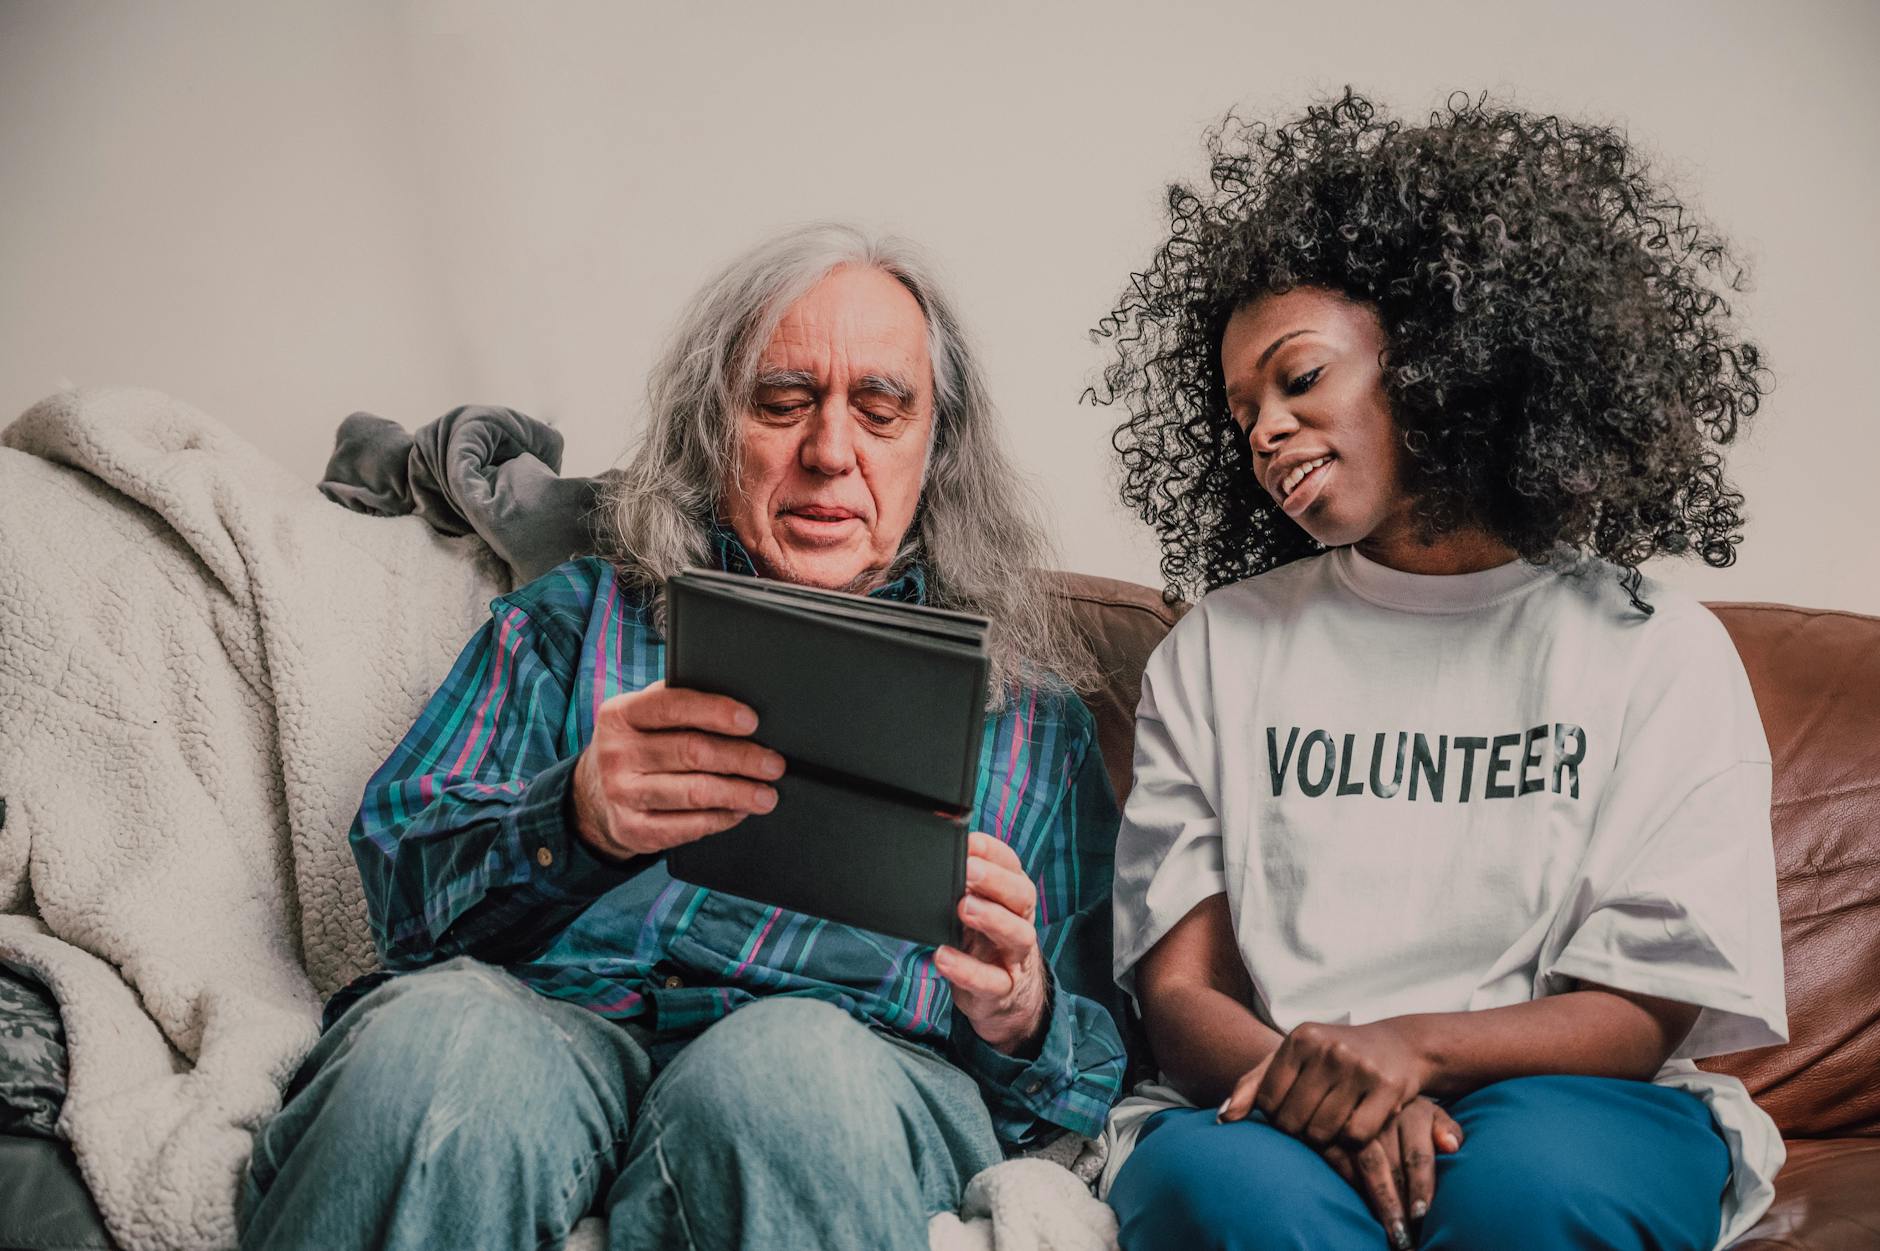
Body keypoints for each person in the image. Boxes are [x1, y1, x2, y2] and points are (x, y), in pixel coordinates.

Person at [237, 223, 1128, 1251]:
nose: (830, 451)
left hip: (853, 1066)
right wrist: (566, 815)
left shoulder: (1033, 715)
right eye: (782, 402)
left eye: (880, 410)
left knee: (782, 1069)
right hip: (551, 1026)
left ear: (936, 449)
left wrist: (1019, 1007)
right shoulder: (575, 619)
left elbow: (1090, 1067)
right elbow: (398, 890)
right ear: (716, 426)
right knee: (439, 1047)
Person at [1091, 91, 1787, 1251]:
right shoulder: (1215, 648)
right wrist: (1324, 1089)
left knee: (1530, 1194)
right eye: (1241, 409)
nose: (1262, 429)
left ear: (1436, 359)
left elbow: (1643, 1007)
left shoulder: (1651, 647)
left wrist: (1407, 1050)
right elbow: (1178, 998)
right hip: (1265, 1100)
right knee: (1237, 1204)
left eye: (1298, 377)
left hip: (1569, 1100)